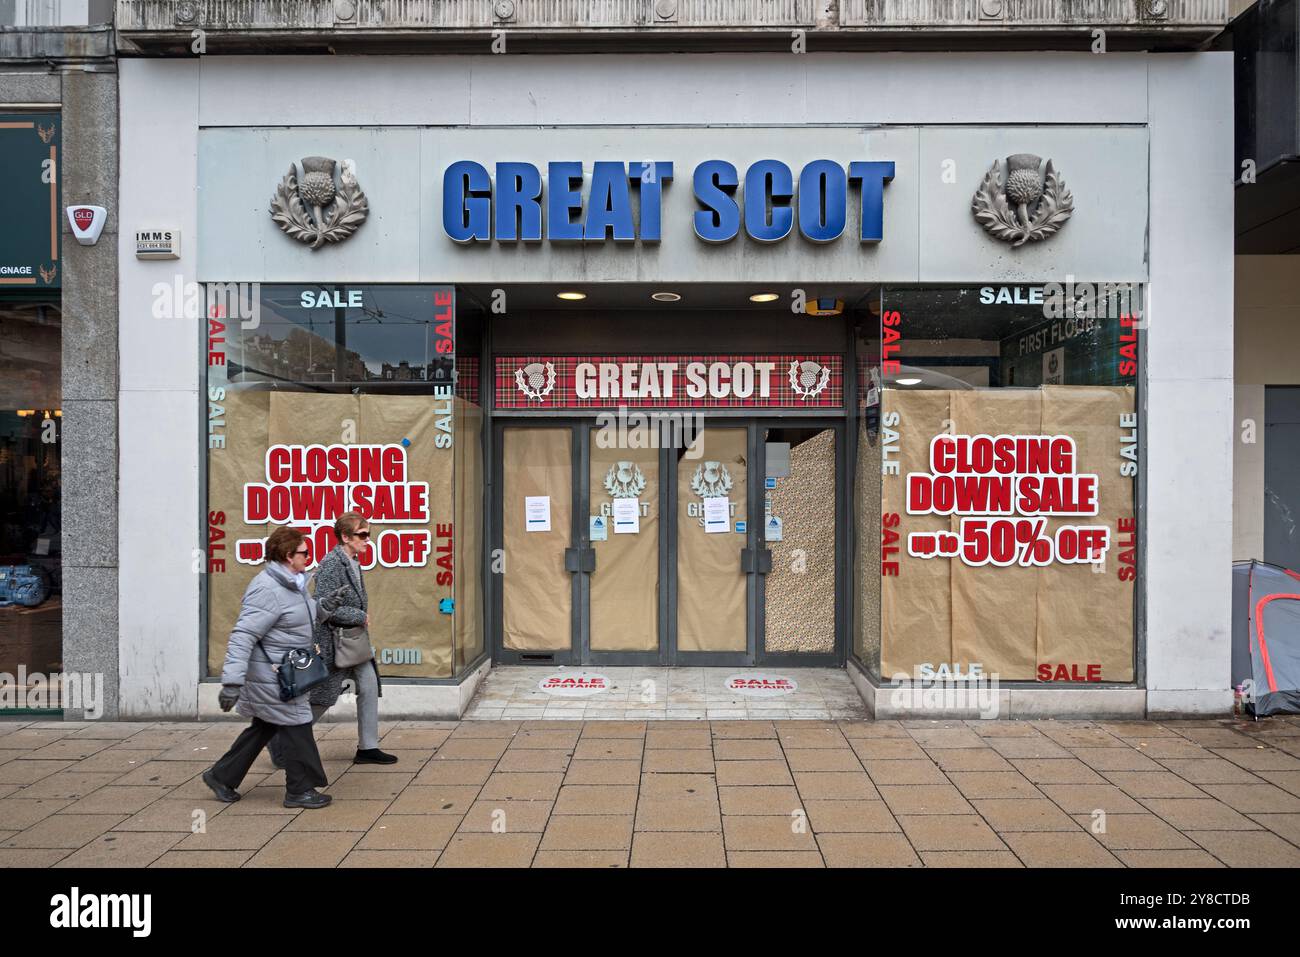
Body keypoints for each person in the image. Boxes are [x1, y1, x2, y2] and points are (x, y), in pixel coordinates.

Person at [202, 525, 344, 809]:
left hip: (284, 672)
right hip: (273, 676)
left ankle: (221, 776)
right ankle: (299, 790)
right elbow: (243, 635)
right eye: (305, 552)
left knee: (265, 726)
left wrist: (324, 607)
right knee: (298, 725)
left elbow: (299, 614)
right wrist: (232, 682)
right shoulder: (266, 589)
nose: (309, 556)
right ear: (288, 555)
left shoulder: (293, 582)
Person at [268, 511, 395, 766]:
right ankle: (279, 741)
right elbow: (322, 607)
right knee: (322, 697)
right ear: (346, 537)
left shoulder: (353, 561)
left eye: (368, 534)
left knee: (369, 685)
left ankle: (368, 747)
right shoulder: (331, 564)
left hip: (352, 640)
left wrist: (357, 619)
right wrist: (358, 615)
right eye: (362, 534)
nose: (367, 539)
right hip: (333, 641)